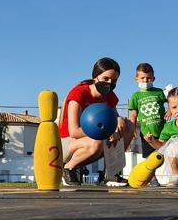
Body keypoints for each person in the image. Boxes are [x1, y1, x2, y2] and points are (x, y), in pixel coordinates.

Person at [58, 57, 135, 186]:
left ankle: (111, 173)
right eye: (106, 79)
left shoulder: (109, 96)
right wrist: (106, 132)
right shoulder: (79, 93)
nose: (110, 83)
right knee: (96, 142)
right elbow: (74, 131)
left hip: (93, 140)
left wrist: (118, 121)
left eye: (114, 80)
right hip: (68, 143)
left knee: (128, 126)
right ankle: (68, 168)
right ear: (95, 77)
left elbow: (114, 120)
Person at [128, 63, 167, 187]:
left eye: (148, 78)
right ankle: (152, 179)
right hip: (146, 133)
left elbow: (172, 101)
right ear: (136, 79)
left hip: (162, 130)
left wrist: (170, 110)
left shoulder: (159, 92)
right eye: (143, 78)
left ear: (153, 78)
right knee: (150, 158)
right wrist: (132, 129)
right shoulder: (136, 96)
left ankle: (176, 176)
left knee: (167, 154)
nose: (146, 80)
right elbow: (133, 115)